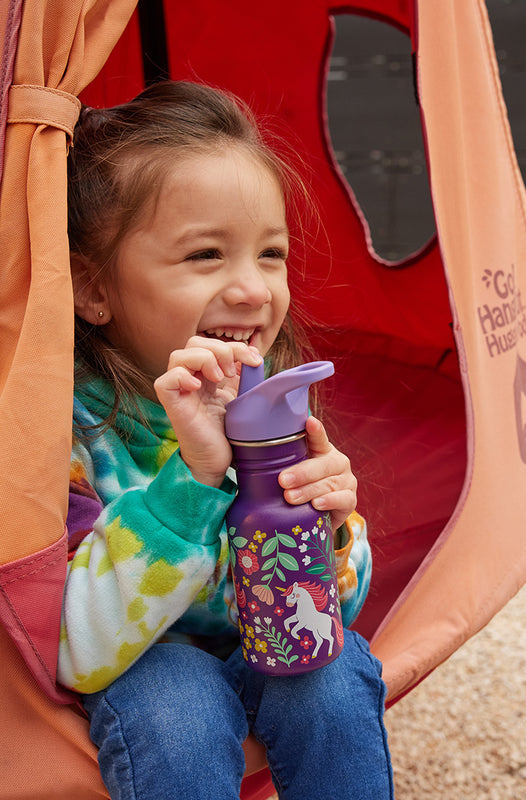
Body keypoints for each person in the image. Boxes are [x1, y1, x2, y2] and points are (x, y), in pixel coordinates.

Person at [61, 80, 394, 800]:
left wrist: (331, 536)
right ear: (93, 288)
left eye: (269, 254)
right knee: (174, 687)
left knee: (331, 674)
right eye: (207, 255)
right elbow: (74, 652)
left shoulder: (273, 403)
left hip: (267, 654)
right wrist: (194, 478)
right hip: (144, 678)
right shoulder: (68, 433)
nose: (253, 289)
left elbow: (334, 613)